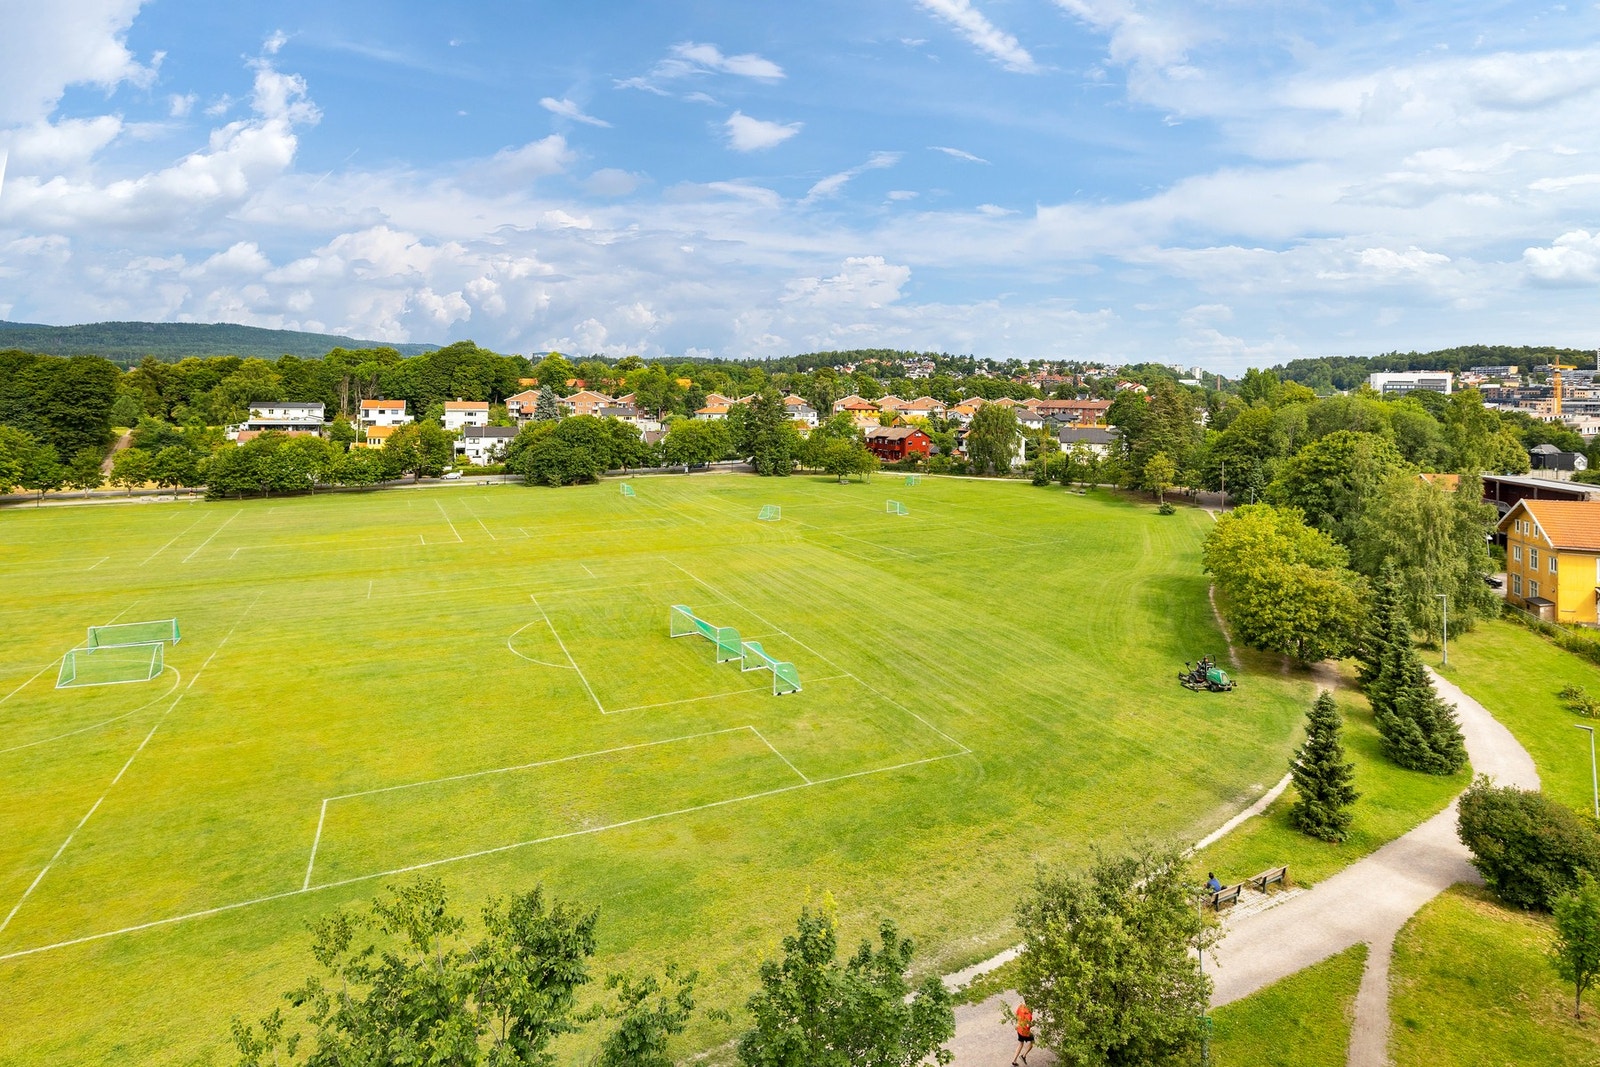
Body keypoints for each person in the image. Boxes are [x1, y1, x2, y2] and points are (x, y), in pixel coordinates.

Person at [1011, 999, 1034, 1065]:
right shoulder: (1028, 1014)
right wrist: (1033, 1024)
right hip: (1025, 1032)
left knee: (1020, 1044)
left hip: (1019, 1029)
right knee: (1032, 1043)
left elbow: (1016, 1014)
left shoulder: (1021, 1006)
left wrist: (1019, 1022)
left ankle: (1014, 1060)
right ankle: (1023, 1056)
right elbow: (1028, 1025)